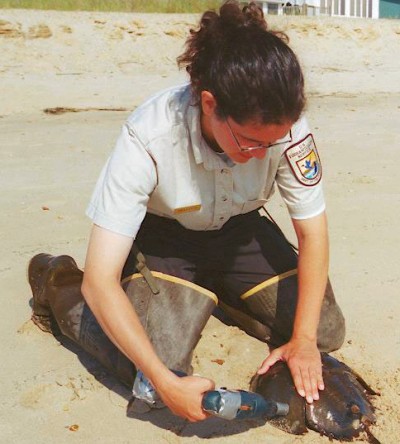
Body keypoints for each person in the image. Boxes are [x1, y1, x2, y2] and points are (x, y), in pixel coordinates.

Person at [28, 0, 345, 424]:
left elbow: (313, 234)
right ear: (209, 104)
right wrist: (162, 381)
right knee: (151, 365)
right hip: (167, 240)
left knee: (325, 331)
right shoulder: (149, 136)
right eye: (249, 142)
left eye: (272, 144)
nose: (259, 156)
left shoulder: (285, 128)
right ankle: (57, 281)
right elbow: (101, 281)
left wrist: (303, 338)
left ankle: (221, 294)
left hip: (242, 232)